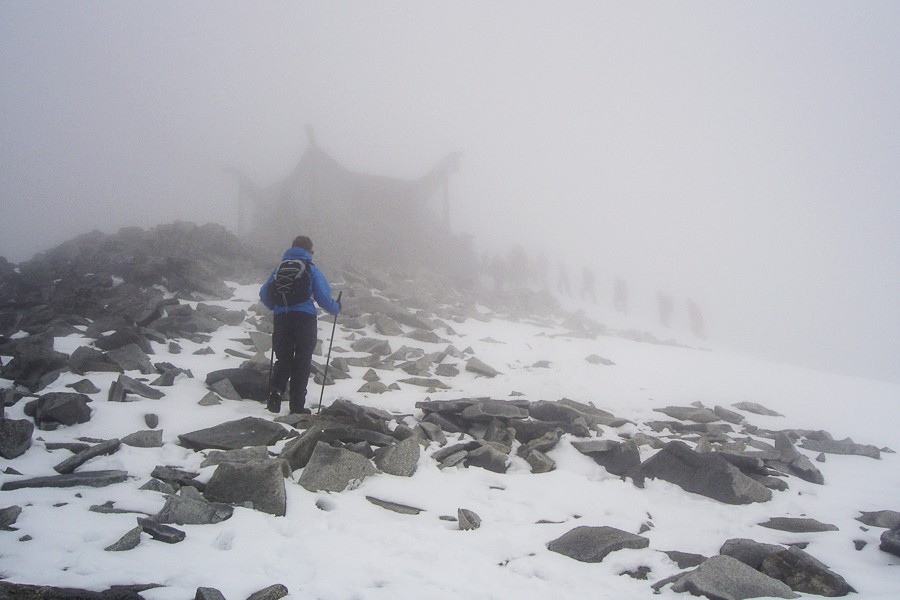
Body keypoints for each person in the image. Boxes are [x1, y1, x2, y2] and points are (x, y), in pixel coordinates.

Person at [259, 235, 340, 414]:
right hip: (305, 318)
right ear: (308, 250)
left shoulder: (279, 268)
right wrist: (336, 308)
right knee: (302, 360)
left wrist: (278, 307)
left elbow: (264, 293)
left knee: (284, 358)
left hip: (282, 318)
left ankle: (276, 392)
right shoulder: (311, 268)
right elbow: (323, 297)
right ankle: (296, 406)